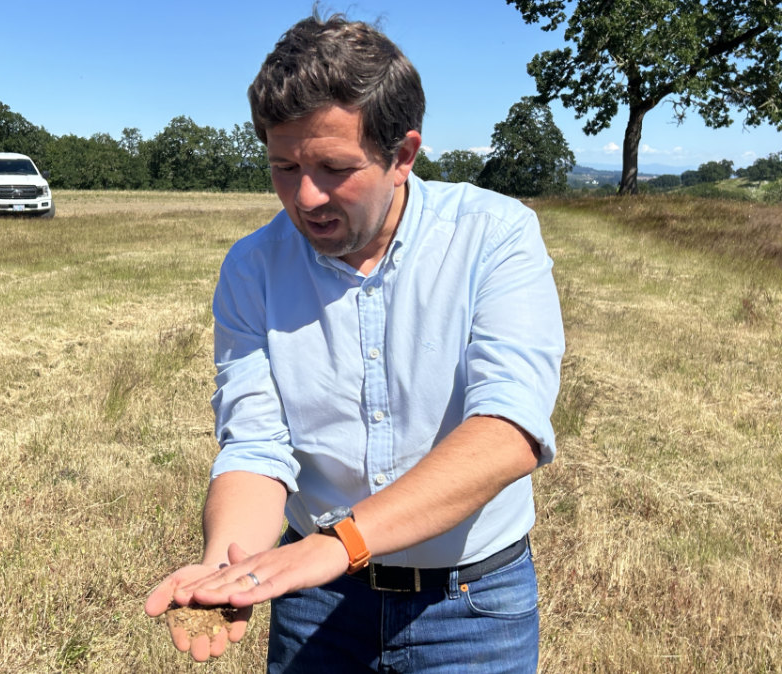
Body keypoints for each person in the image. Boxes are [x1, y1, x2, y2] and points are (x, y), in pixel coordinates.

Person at [145, 12, 565, 673]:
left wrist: (337, 543)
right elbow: (256, 442)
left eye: (334, 168)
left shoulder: (494, 236)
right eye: (283, 166)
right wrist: (230, 566)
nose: (305, 196)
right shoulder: (253, 268)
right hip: (315, 600)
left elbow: (508, 429)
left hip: (471, 605)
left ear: (402, 155)